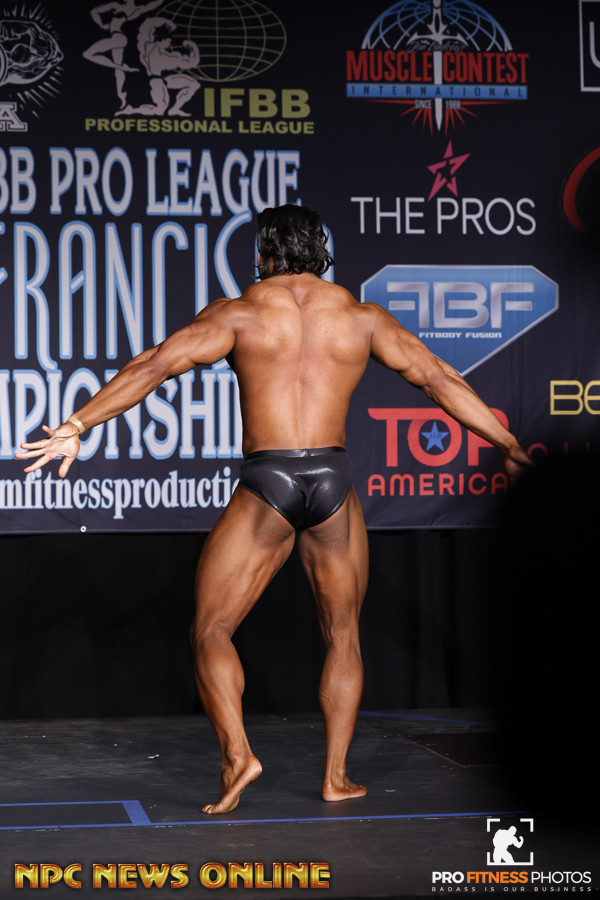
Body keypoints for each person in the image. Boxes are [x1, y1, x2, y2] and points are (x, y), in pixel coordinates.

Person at [16, 204, 532, 815]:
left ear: (265, 254)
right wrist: (508, 444)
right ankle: (336, 777)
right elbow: (439, 378)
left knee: (211, 629)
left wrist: (78, 424)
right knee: (344, 633)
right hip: (332, 478)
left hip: (270, 479)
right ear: (320, 252)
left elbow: (153, 367)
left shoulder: (238, 313)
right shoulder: (361, 317)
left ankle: (238, 756)